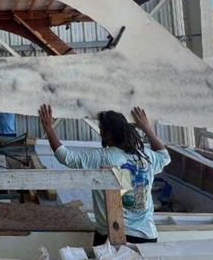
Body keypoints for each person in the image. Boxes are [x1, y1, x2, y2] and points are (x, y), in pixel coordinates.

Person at [37, 103, 170, 244]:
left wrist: (48, 128)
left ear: (107, 135)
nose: (99, 132)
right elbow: (164, 156)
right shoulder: (146, 156)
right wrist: (147, 128)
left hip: (113, 235)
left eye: (101, 129)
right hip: (147, 235)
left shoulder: (102, 157)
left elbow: (66, 157)